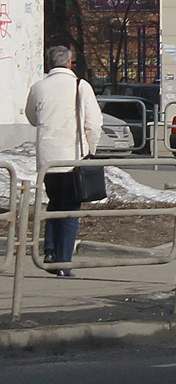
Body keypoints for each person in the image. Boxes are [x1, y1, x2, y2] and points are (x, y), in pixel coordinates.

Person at [24, 45, 102, 277]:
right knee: (70, 209)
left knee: (54, 202)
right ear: (70, 63)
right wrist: (91, 149)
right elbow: (94, 123)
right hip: (73, 158)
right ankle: (64, 262)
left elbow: (31, 117)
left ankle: (49, 250)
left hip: (47, 159)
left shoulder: (39, 87)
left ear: (50, 63)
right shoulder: (80, 86)